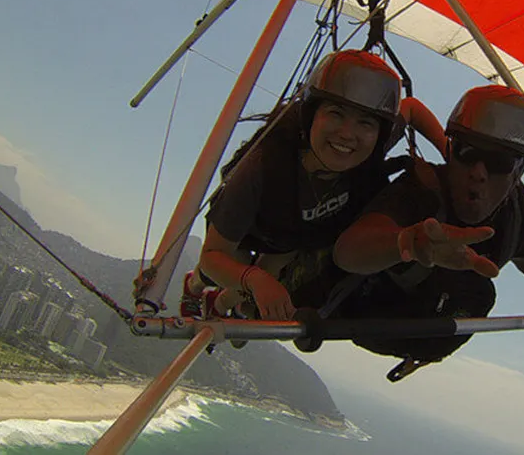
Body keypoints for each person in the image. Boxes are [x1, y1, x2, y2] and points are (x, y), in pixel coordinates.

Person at [332, 84, 524, 381]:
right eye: (468, 152)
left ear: (519, 172)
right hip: (370, 318)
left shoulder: (522, 212)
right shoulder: (420, 189)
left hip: (426, 336)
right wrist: (407, 242)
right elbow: (350, 250)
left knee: (479, 291)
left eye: (499, 161)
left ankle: (424, 351)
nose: (479, 173)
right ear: (451, 151)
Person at [180, 49, 446, 323]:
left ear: (379, 134)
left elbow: (412, 108)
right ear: (310, 116)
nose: (347, 133)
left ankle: (219, 304)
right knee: (221, 270)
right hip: (251, 223)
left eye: (365, 122)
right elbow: (213, 255)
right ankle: (194, 286)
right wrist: (251, 276)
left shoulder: (367, 152)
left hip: (292, 233)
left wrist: (448, 150)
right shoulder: (263, 167)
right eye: (335, 113)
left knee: (262, 281)